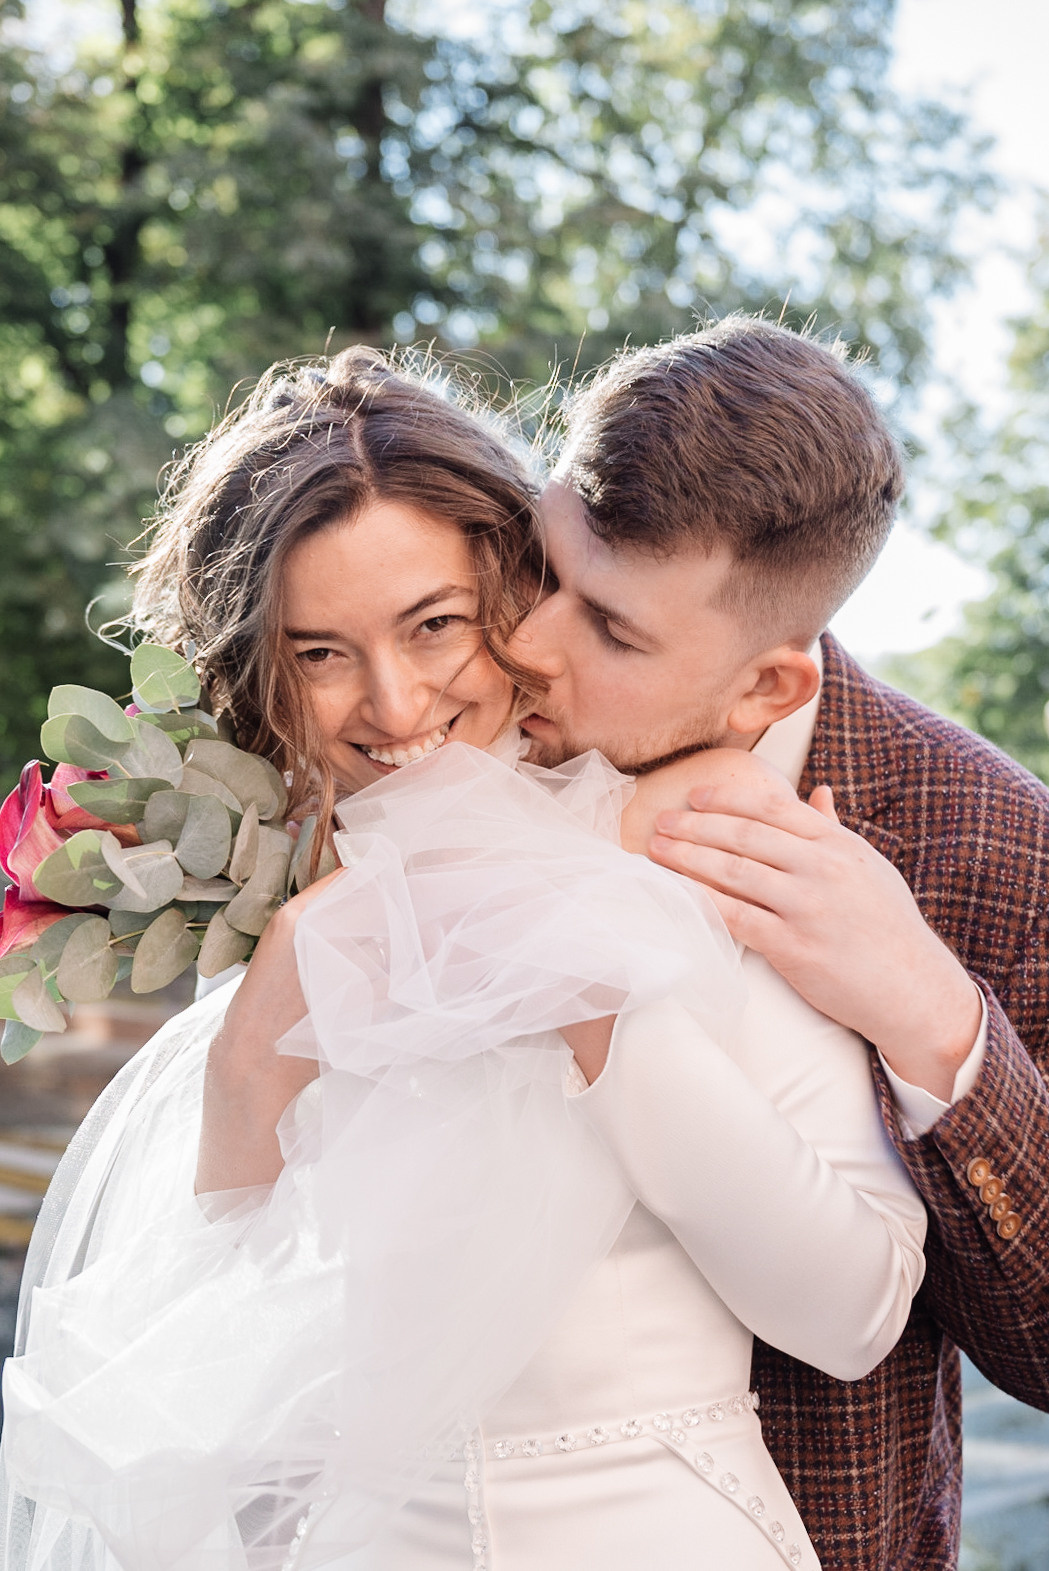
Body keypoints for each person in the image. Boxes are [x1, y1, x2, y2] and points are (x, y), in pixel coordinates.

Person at [0, 348, 925, 1571]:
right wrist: (250, 1066)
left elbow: (853, 1312)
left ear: (524, 594)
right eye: (319, 651)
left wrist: (588, 997)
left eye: (434, 624)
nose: (391, 703)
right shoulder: (292, 927)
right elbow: (225, 1381)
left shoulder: (702, 846)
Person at [509, 313, 1049, 1570]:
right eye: (547, 569)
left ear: (768, 688)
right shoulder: (457, 708)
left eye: (613, 628)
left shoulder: (990, 841)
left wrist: (929, 1014)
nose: (530, 644)